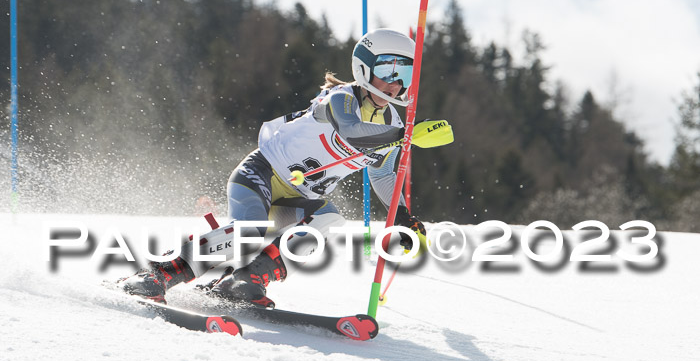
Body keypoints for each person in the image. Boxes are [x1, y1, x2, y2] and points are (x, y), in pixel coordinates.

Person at [119, 28, 452, 305]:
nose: (396, 83)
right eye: (388, 72)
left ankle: (242, 280)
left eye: (404, 74)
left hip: (301, 195)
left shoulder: (394, 121)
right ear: (364, 69)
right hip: (262, 174)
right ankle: (160, 272)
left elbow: (381, 172)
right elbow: (352, 130)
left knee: (328, 220)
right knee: (249, 233)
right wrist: (405, 134)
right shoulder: (340, 99)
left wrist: (402, 216)